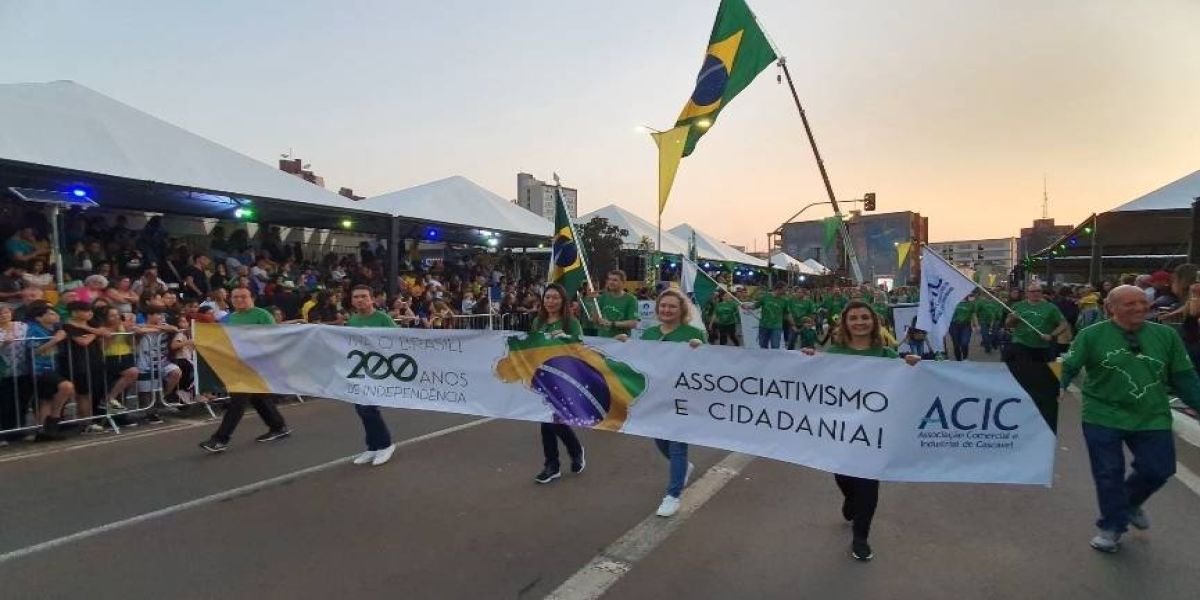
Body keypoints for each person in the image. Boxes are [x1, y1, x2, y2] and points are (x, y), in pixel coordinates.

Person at [1059, 285, 1200, 553]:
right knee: (1108, 473)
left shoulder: (1166, 335)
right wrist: (1057, 385)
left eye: (1142, 302)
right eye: (1130, 303)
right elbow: (1069, 366)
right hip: (1102, 414)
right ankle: (1112, 527)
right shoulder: (1091, 335)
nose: (1139, 308)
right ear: (1110, 308)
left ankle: (1130, 503)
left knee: (1159, 469)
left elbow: (1184, 378)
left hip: (1152, 415)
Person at [802, 301, 921, 561]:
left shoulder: (887, 354)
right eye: (853, 318)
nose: (859, 322)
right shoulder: (834, 352)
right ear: (845, 323)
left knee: (868, 484)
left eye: (865, 317)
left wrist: (913, 365)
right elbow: (815, 381)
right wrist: (806, 361)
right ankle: (850, 499)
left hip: (874, 434)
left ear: (874, 322)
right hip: (840, 431)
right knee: (844, 477)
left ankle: (861, 537)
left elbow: (907, 381)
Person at [616, 289, 705, 517]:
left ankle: (673, 495)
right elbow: (638, 359)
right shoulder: (650, 333)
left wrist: (700, 349)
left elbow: (707, 365)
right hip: (655, 397)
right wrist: (624, 345)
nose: (667, 310)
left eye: (672, 306)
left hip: (681, 398)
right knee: (660, 440)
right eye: (663, 306)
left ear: (682, 310)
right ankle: (683, 467)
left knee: (677, 444)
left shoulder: (693, 333)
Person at [199, 287, 290, 452]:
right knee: (258, 397)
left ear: (251, 298)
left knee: (238, 401)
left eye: (243, 297)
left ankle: (220, 439)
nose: (239, 300)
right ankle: (278, 426)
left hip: (257, 365)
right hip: (239, 365)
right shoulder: (230, 318)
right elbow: (221, 338)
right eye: (235, 297)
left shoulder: (262, 315)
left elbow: (273, 338)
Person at [530, 283, 587, 484]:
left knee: (552, 420)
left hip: (565, 376)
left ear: (563, 301)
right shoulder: (538, 321)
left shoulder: (571, 322)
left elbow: (581, 346)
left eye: (555, 298)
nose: (550, 301)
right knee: (548, 419)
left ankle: (557, 462)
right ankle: (561, 459)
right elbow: (531, 346)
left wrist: (567, 338)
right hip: (543, 376)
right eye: (547, 297)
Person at [345, 285, 398, 467]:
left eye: (364, 296)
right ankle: (373, 446)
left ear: (372, 299)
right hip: (360, 370)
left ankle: (385, 445)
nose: (360, 300)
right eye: (356, 297)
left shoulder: (383, 318)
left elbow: (400, 340)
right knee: (361, 409)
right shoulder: (352, 320)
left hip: (379, 370)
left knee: (368, 408)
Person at [24, 303, 76, 441]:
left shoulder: (56, 328)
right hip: (40, 368)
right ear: (39, 318)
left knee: (47, 399)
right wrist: (55, 340)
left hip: (54, 366)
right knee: (66, 387)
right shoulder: (34, 329)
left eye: (55, 313)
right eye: (51, 314)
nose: (55, 316)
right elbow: (35, 351)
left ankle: (44, 431)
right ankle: (54, 418)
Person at [1004, 284, 1067, 364]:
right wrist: (1012, 319)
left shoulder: (1051, 308)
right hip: (1021, 342)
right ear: (1027, 293)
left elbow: (1063, 324)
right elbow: (1008, 325)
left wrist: (1052, 335)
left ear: (1042, 293)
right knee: (1024, 367)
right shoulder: (1018, 306)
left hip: (1042, 345)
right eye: (1032, 291)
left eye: (1038, 291)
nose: (1036, 293)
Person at [592, 270, 639, 339]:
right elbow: (595, 320)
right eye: (609, 279)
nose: (611, 282)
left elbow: (633, 323)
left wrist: (612, 323)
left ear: (623, 282)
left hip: (620, 341)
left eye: (615, 280)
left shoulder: (631, 299)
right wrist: (594, 302)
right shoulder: (603, 297)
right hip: (602, 340)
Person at [744, 281, 790, 349]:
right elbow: (755, 306)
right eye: (784, 290)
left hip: (777, 327)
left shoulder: (785, 300)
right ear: (778, 289)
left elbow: (787, 314)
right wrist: (747, 307)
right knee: (763, 346)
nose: (785, 292)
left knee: (775, 347)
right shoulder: (765, 297)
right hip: (764, 326)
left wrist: (792, 325)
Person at [947, 294, 976, 361]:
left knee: (964, 343)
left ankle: (965, 358)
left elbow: (974, 315)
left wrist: (976, 325)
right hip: (954, 325)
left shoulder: (971, 304)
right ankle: (958, 359)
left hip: (966, 326)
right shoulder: (953, 303)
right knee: (956, 344)